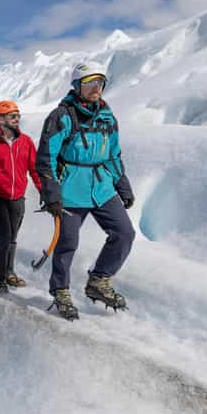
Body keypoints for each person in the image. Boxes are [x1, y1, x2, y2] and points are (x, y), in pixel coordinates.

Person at [36, 61, 136, 320]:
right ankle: (60, 291)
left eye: (100, 82)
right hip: (70, 189)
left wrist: (122, 185)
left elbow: (113, 154)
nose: (96, 88)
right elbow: (46, 157)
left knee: (124, 233)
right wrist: (51, 194)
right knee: (68, 242)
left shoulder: (107, 117)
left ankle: (99, 281)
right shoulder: (62, 116)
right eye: (90, 83)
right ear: (77, 86)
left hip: (102, 186)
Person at [0, 100, 41, 293]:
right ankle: (0, 278)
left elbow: (34, 169)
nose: (17, 119)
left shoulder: (25, 141)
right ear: (0, 119)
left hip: (18, 197)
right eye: (12, 116)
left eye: (18, 115)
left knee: (12, 237)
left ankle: (9, 272)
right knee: (2, 236)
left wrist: (44, 191)